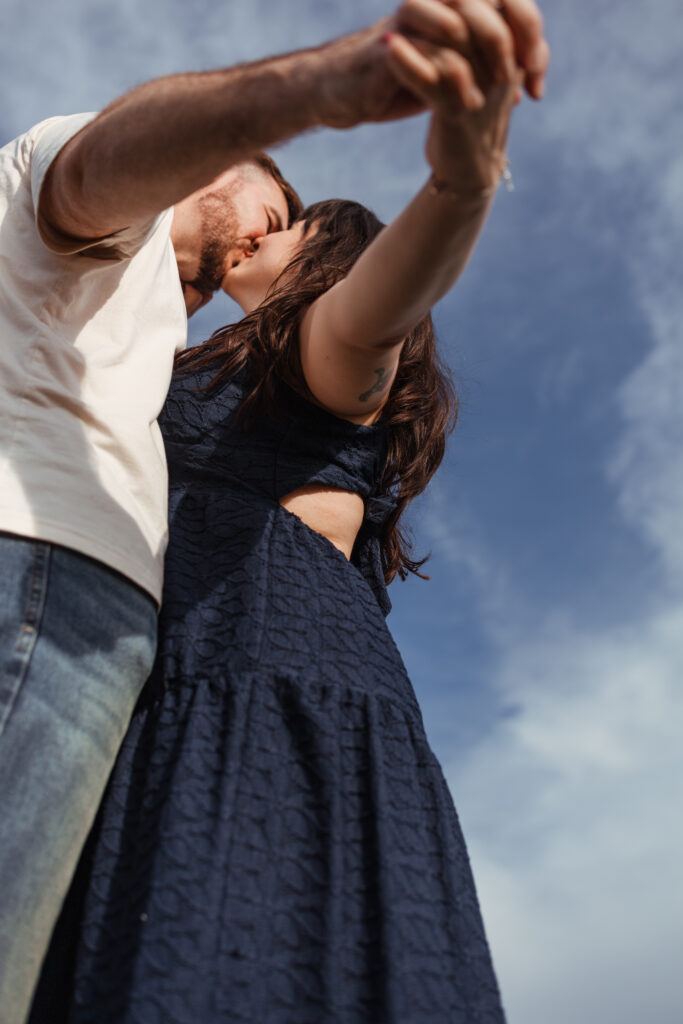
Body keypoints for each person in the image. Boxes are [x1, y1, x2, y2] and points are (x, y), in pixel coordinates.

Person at [28, 7, 545, 1021]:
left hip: (266, 685)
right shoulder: (190, 354)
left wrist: (460, 184)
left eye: (296, 226)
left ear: (322, 271)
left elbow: (377, 307)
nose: (264, 230)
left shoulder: (325, 352)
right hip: (173, 682)